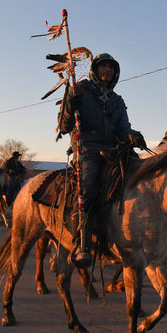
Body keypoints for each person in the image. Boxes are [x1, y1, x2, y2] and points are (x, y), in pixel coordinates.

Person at [58, 53, 146, 265]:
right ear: (95, 70)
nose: (108, 70)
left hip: (115, 149)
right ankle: (82, 242)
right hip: (87, 147)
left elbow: (123, 128)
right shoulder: (79, 90)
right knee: (87, 189)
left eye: (111, 68)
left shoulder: (117, 100)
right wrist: (70, 105)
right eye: (103, 67)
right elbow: (64, 126)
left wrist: (133, 135)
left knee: (141, 177)